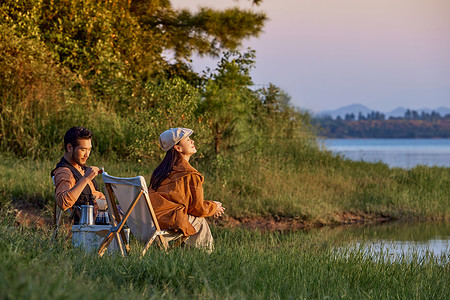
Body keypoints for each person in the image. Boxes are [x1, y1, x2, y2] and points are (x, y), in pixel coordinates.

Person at [149, 127, 225, 251]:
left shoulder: (160, 172)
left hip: (150, 223)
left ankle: (186, 255)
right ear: (178, 148)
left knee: (191, 218)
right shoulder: (190, 174)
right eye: (188, 139)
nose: (192, 142)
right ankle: (206, 258)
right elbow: (197, 208)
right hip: (167, 224)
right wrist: (213, 207)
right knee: (199, 220)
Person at [51, 127, 105, 224]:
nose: (87, 155)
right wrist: (86, 178)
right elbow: (63, 203)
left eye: (89, 149)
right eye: (83, 150)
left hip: (104, 213)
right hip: (92, 222)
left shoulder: (81, 168)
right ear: (70, 148)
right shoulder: (64, 172)